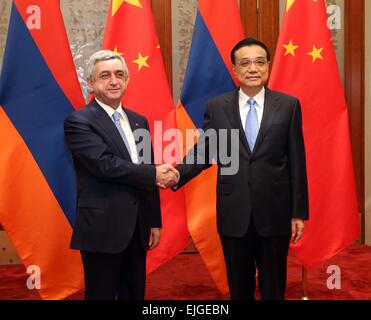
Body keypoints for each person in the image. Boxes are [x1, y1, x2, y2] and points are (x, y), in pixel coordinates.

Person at [172, 38, 309, 300]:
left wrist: (298, 213)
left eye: (259, 61)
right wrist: (177, 172)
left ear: (268, 66)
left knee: (274, 285)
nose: (253, 68)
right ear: (234, 70)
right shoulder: (217, 106)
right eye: (244, 63)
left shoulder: (289, 105)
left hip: (275, 212)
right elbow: (206, 150)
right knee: (239, 286)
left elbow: (296, 160)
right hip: (234, 212)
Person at [64, 50, 178, 300]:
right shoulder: (79, 121)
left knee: (134, 293)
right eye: (104, 75)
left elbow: (145, 170)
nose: (113, 81)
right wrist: (154, 173)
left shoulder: (139, 121)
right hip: (102, 229)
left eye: (119, 74)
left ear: (127, 80)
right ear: (91, 83)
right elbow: (105, 165)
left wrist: (153, 220)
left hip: (137, 228)